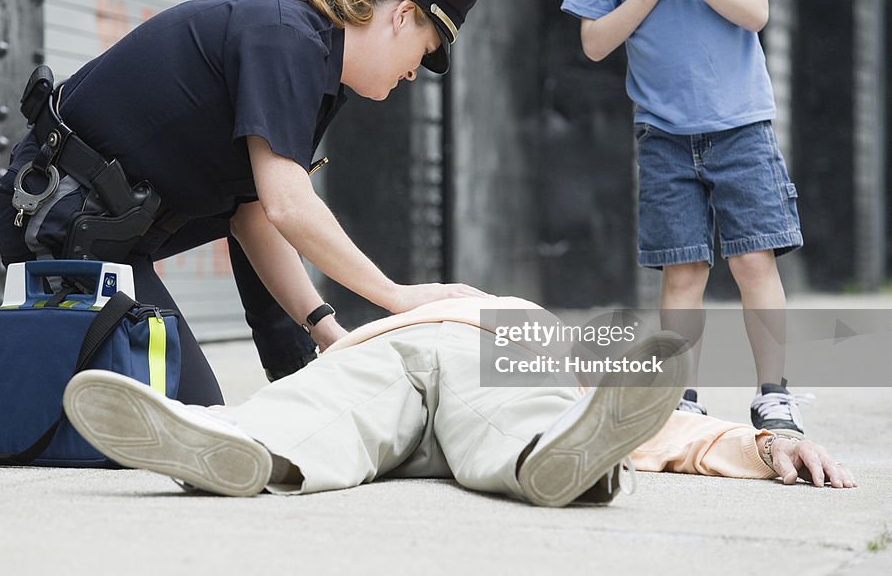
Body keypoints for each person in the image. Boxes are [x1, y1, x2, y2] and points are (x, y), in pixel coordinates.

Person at [0, 0, 485, 406]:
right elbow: (287, 206)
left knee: (192, 412)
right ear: (401, 16)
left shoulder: (319, 64)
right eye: (423, 53)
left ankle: (292, 369)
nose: (413, 73)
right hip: (60, 228)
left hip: (112, 237)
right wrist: (396, 297)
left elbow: (252, 213)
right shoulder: (285, 39)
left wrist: (325, 333)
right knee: (188, 417)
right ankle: (30, 377)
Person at [61, 296, 856, 506]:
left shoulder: (549, 333)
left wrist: (757, 443)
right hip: (381, 353)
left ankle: (560, 457)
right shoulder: (448, 310)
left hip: (488, 357)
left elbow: (657, 414)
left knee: (528, 411)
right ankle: (235, 448)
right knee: (329, 407)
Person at [560, 0, 810, 435]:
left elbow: (756, 13)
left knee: (753, 263)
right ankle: (680, 401)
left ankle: (774, 395)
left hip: (741, 126)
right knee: (682, 270)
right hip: (663, 135)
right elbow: (595, 43)